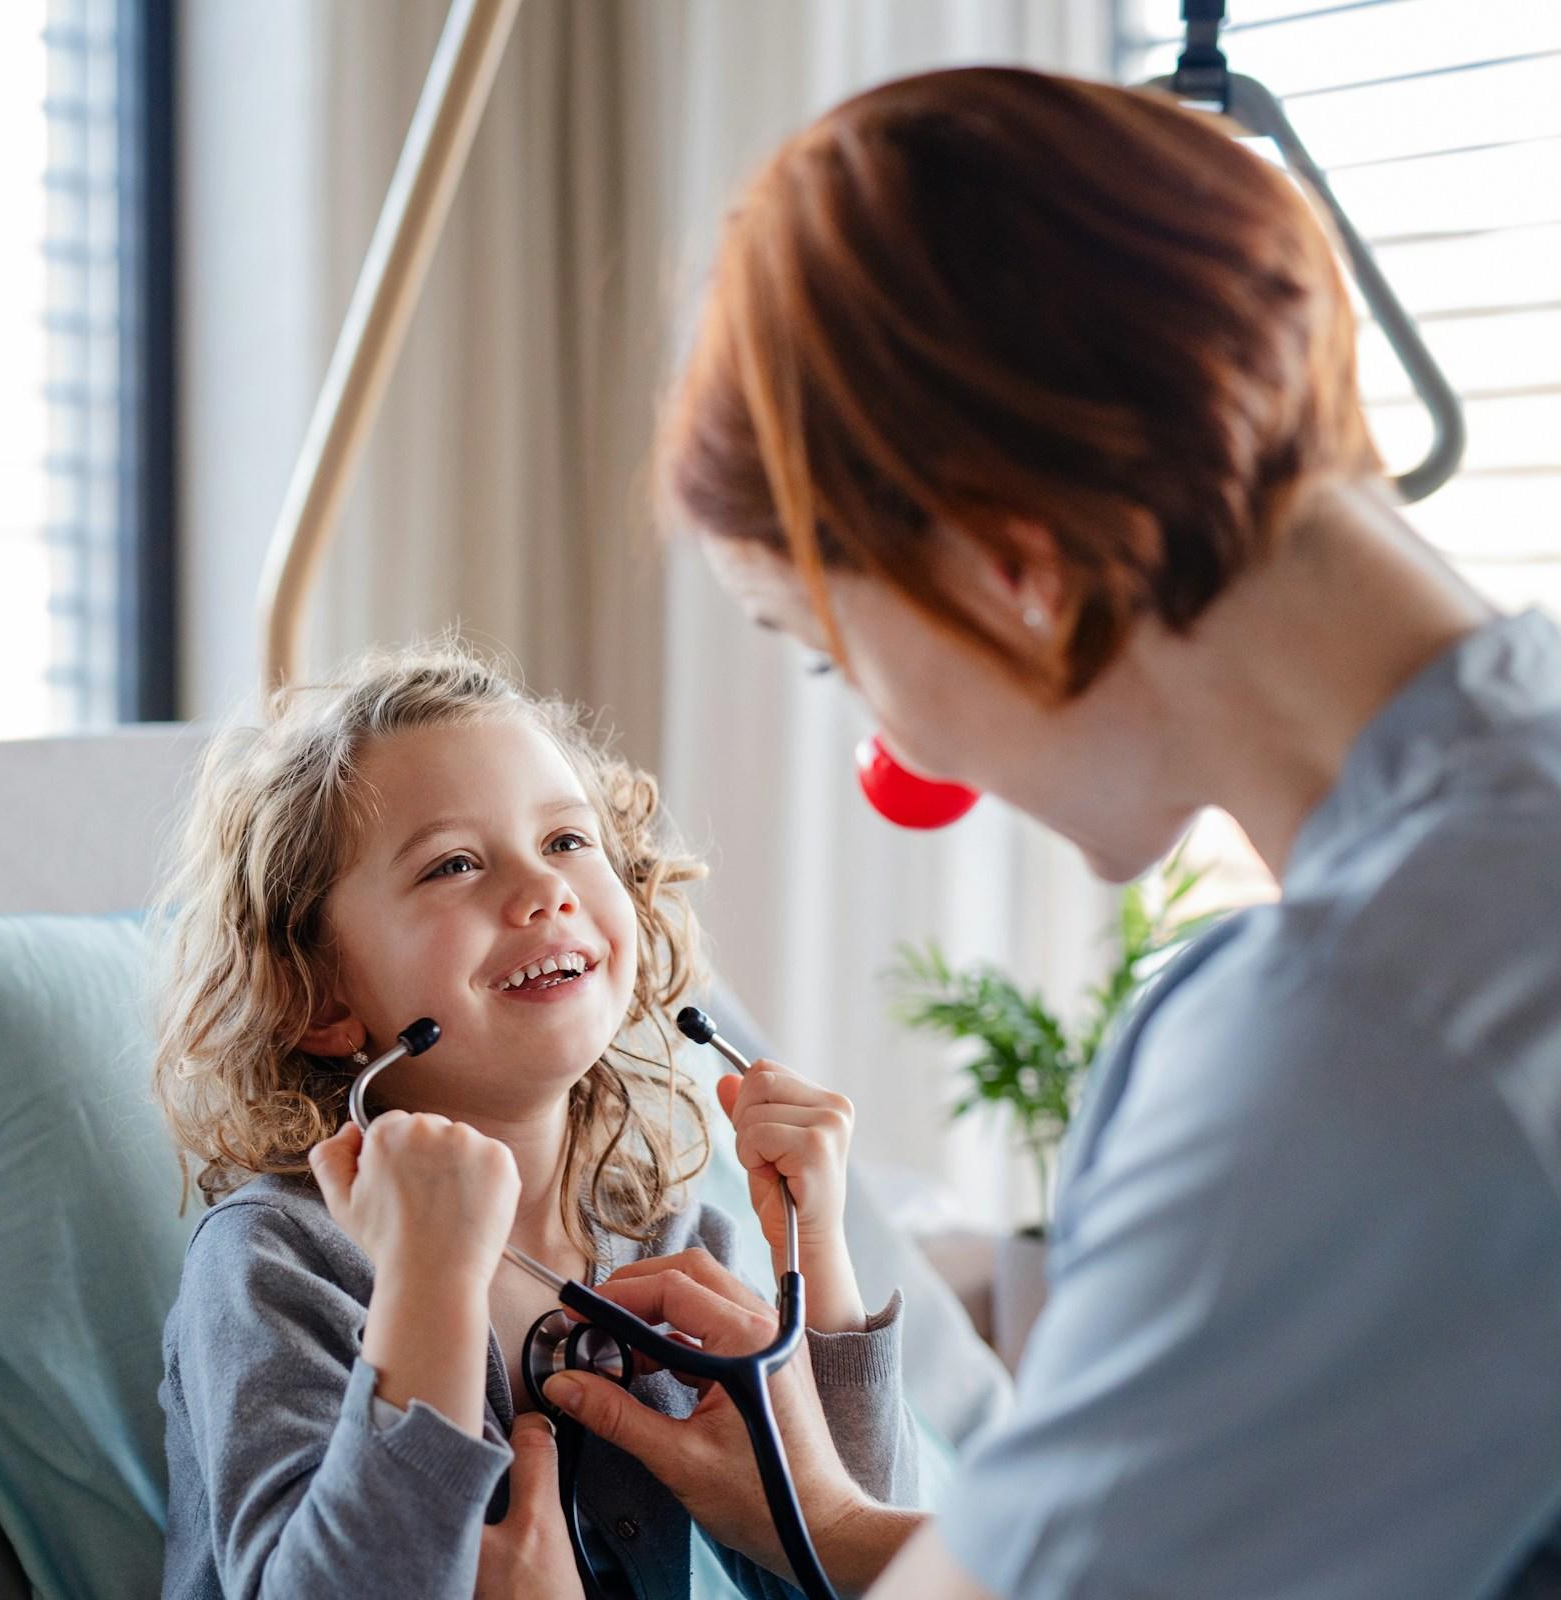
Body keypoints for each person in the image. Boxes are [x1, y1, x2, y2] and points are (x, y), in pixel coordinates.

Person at [537, 63, 1561, 1597]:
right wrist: (832, 1514)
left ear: (1014, 565)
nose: (900, 751)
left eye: (833, 653)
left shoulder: (1360, 1033)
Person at [148, 643, 918, 1599]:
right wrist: (427, 1285)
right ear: (320, 998)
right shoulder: (279, 1263)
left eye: (566, 841)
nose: (544, 890)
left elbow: (837, 1565)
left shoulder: (672, 1240)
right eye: (453, 865)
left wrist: (820, 1261)